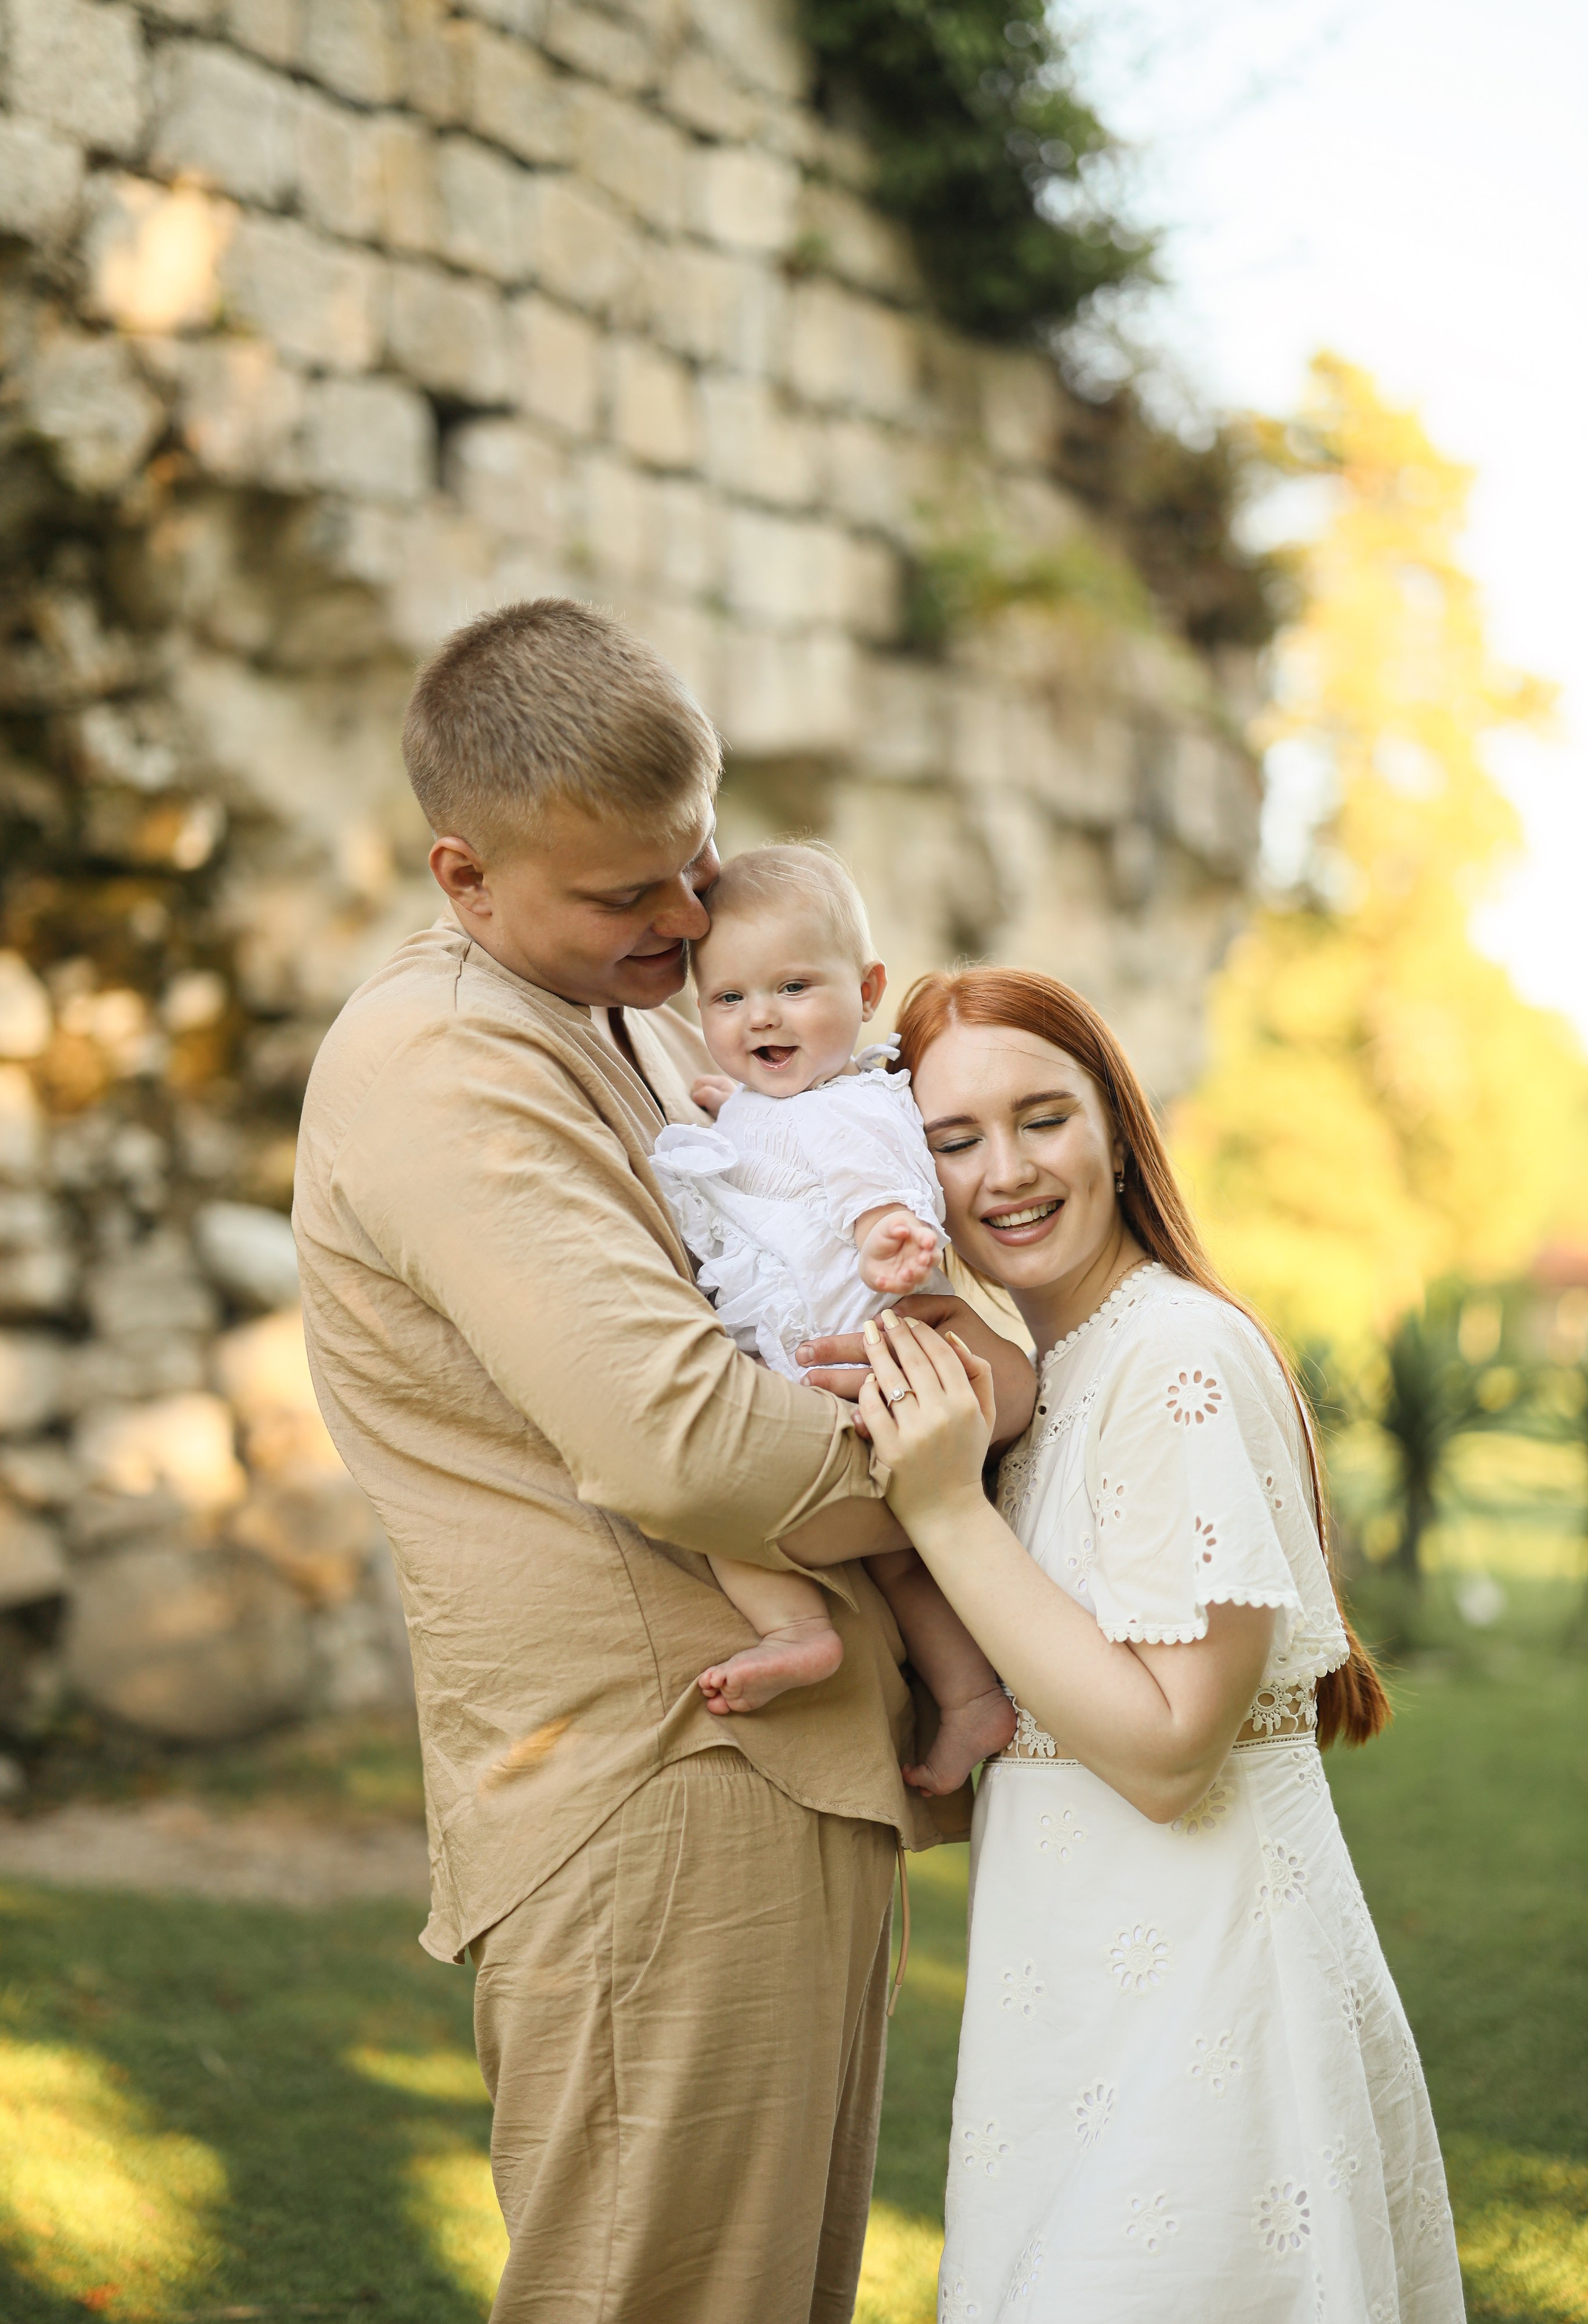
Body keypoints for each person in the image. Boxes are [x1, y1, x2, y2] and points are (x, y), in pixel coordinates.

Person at [291, 599, 1037, 2324]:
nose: (688, 924)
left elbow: (802, 1300)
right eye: (627, 896)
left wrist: (978, 1357)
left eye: (691, 871)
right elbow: (688, 1439)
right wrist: (993, 1425)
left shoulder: (620, 1011)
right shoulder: (444, 1068)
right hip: (661, 1785)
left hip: (769, 1769)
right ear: (463, 876)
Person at [849, 967, 1465, 2323]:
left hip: (1207, 1998)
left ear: (1118, 1129)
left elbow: (1172, 1748)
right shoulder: (1051, 1377)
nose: (1001, 1171)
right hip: (1070, 1991)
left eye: (1040, 1119)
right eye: (952, 1141)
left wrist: (943, 1511)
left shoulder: (1172, 1357)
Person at [650, 840, 1017, 1792]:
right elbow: (778, 1148)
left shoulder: (853, 1110)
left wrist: (890, 1232)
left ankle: (801, 1630)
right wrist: (733, 1110)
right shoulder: (781, 1100)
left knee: (721, 1512)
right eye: (727, 999)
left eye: (792, 988)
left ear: (867, 991)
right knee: (901, 1565)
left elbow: (872, 1182)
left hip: (858, 1372)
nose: (760, 1015)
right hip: (820, 1376)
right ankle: (963, 1696)